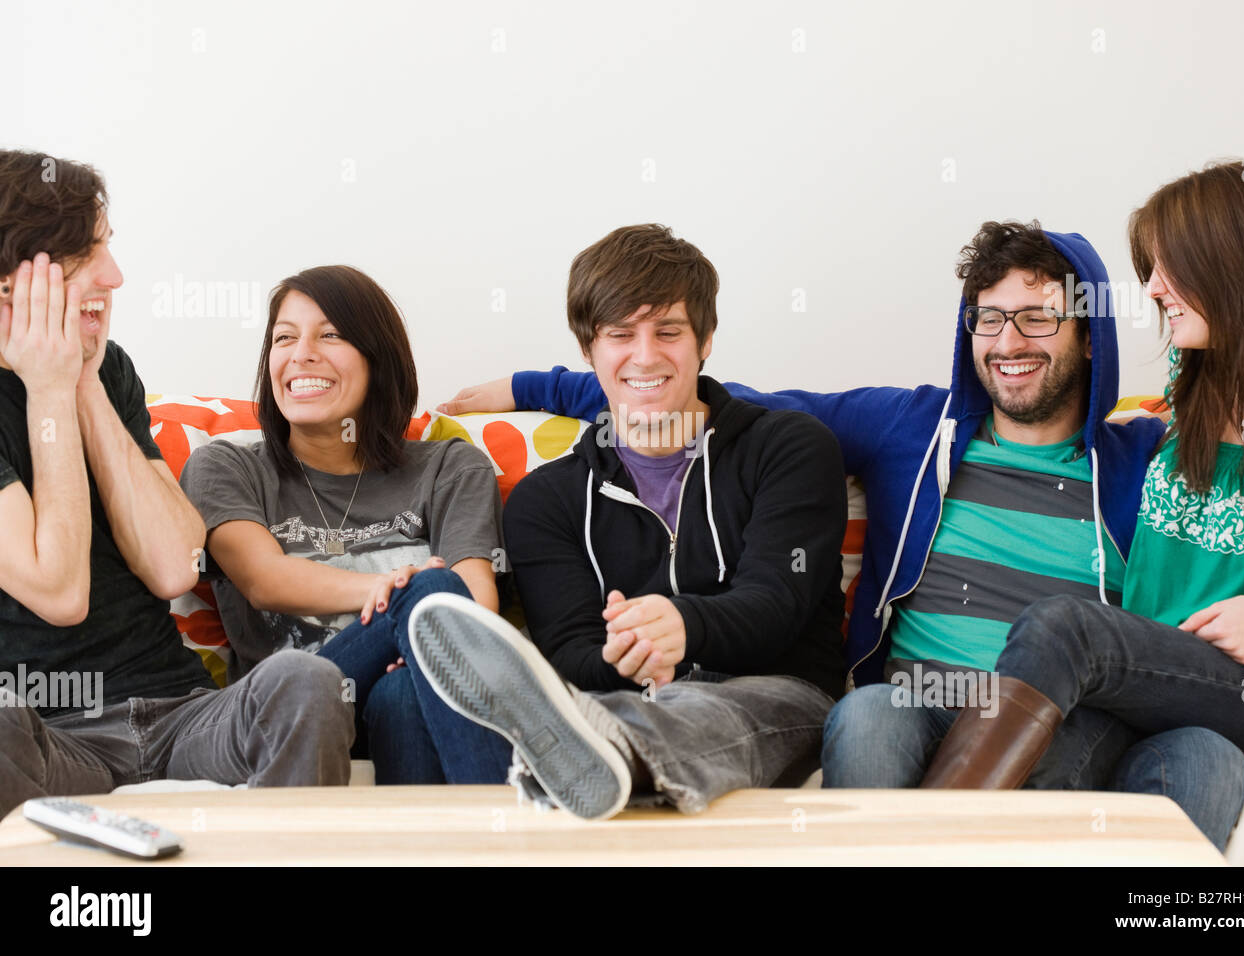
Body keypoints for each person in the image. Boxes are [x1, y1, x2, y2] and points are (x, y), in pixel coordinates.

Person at [440, 219, 1244, 849]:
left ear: (1087, 333)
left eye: (1037, 320)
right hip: (922, 703)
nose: (1007, 344)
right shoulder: (910, 426)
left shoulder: (1158, 459)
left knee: (1205, 752)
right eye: (989, 320)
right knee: (866, 716)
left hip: (1071, 715)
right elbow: (699, 389)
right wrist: (538, 383)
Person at [405, 223, 847, 819]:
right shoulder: (546, 500)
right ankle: (587, 750)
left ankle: (585, 750)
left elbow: (777, 603)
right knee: (610, 707)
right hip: (615, 697)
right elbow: (571, 655)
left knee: (706, 711)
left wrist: (683, 626)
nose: (645, 356)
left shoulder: (788, 448)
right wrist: (627, 654)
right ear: (588, 351)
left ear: (705, 340)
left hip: (780, 696)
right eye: (620, 335)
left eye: (668, 332)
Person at [921, 161, 1244, 800]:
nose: (1151, 289)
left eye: (1167, 268)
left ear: (1234, 263)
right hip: (1157, 682)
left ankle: (927, 834)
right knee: (1065, 761)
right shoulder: (1185, 404)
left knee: (1065, 626)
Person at [0, 150, 353, 818]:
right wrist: (47, 389)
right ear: (16, 280)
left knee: (306, 680)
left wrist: (83, 383)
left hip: (182, 711)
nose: (116, 275)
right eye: (88, 254)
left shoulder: (109, 371)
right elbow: (59, 591)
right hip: (55, 739)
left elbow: (174, 566)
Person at [179, 265, 512, 784]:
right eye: (284, 337)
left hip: (413, 688)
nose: (301, 353)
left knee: (405, 689)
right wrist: (403, 597)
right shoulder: (226, 467)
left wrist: (419, 646)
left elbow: (474, 601)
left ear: (378, 359)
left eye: (330, 335)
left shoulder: (449, 466)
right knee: (430, 591)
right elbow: (264, 581)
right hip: (295, 704)